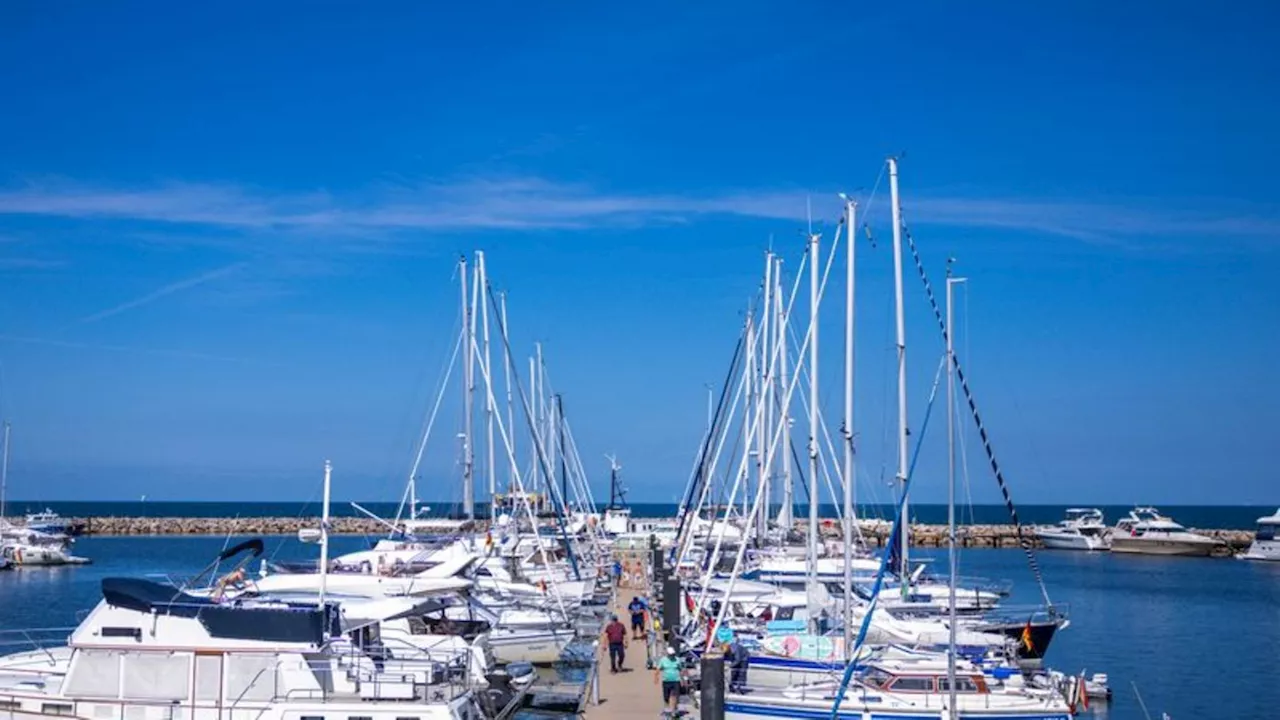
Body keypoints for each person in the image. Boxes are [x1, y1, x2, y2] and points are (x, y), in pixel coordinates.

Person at [654, 646, 683, 712]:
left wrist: (682, 680)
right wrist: (656, 678)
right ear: (667, 654)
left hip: (676, 680)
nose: (672, 655)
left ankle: (674, 709)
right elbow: (658, 669)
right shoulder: (663, 660)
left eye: (673, 654)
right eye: (670, 654)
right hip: (666, 681)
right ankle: (667, 708)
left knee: (675, 695)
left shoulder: (677, 660)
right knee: (666, 697)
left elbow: (680, 669)